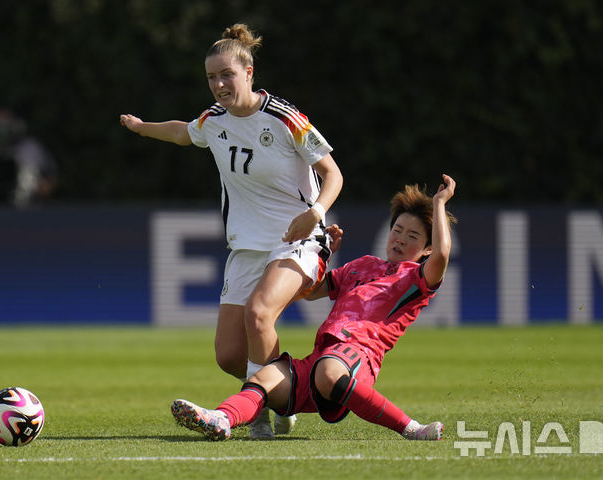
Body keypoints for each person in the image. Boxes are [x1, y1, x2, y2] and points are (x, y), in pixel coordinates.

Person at [120, 24, 343, 438]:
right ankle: (285, 394)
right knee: (228, 354)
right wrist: (142, 127)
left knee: (260, 314)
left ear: (249, 72)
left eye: (227, 74)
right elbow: (183, 132)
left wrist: (316, 213)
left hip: (297, 241)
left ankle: (252, 411)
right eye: (211, 77)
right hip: (246, 248)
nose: (219, 84)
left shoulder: (284, 117)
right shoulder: (213, 120)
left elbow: (333, 173)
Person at [170, 174, 457, 441]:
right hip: (321, 355)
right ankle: (221, 418)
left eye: (413, 236)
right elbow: (308, 292)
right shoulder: (363, 265)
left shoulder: (415, 279)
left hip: (357, 356)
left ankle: (412, 428)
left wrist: (439, 204)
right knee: (263, 378)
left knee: (329, 373)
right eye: (397, 229)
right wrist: (324, 256)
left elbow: (443, 254)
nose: (401, 239)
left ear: (426, 249)